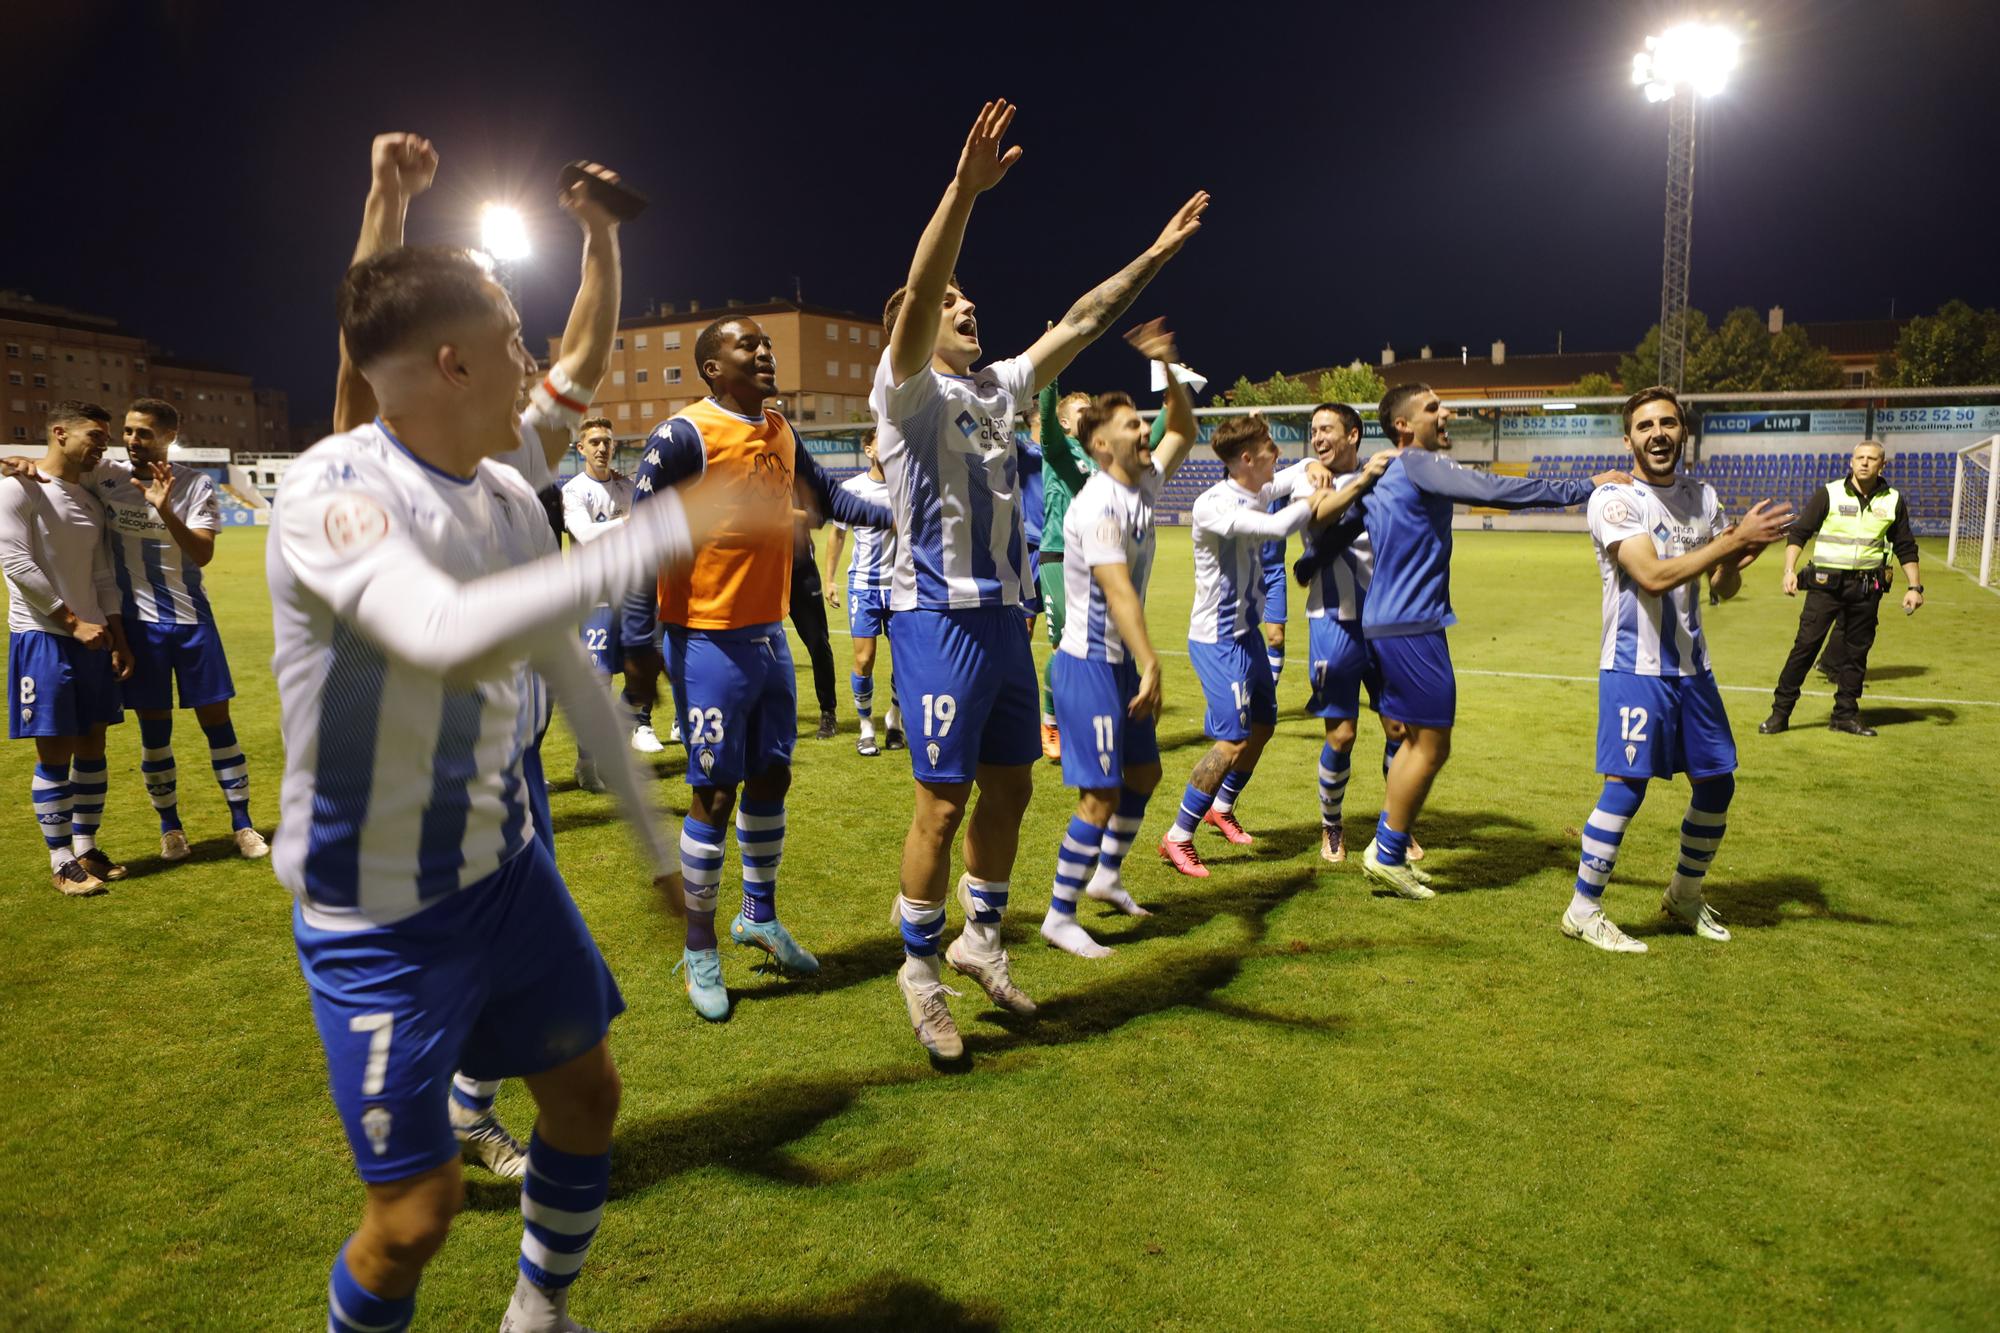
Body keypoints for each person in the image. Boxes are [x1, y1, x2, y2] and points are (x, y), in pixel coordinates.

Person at [278, 243, 712, 1333]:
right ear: (450, 362)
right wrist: (675, 529)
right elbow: (433, 632)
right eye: (512, 337)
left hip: (507, 872)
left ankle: (537, 1310)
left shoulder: (516, 500)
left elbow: (570, 667)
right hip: (379, 912)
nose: (534, 359)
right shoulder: (331, 488)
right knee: (414, 1217)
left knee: (587, 1096)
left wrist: (658, 854)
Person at [873, 98, 1207, 1060]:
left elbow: (1086, 318)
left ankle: (982, 942)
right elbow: (922, 278)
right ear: (918, 325)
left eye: (972, 299)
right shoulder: (903, 392)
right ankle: (919, 969)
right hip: (936, 617)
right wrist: (963, 193)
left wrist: (1155, 254)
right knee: (941, 803)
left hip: (1008, 624)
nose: (966, 306)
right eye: (950, 302)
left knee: (1012, 788)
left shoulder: (1001, 388)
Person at [620, 315, 890, 1021]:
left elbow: (829, 499)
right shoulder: (684, 436)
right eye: (749, 345)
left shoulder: (779, 429)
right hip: (704, 639)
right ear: (713, 367)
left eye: (766, 344)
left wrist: (898, 515)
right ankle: (700, 943)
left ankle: (758, 917)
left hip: (768, 637)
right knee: (714, 792)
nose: (765, 353)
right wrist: (639, 643)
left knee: (774, 774)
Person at [1352, 383, 1625, 899]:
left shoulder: (1387, 472)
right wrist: (1583, 486)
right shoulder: (1415, 462)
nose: (1446, 412)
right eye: (1433, 407)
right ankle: (1387, 852)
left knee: (1412, 742)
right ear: (1405, 426)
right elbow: (1496, 491)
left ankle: (1386, 847)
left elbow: (1343, 523)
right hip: (1412, 625)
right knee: (1432, 745)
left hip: (1390, 622)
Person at [1566, 387, 1792, 952]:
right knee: (1627, 786)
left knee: (1718, 783)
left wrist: (1740, 556)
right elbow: (1653, 576)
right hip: (1634, 668)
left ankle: (1682, 896)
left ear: (1683, 432)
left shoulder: (1703, 497)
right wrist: (1731, 541)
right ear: (1629, 439)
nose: (1658, 434)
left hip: (1693, 670)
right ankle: (1582, 908)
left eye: (1668, 423)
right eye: (1645, 426)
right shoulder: (1615, 500)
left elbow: (1722, 588)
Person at [1039, 321, 1201, 956]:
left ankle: (1106, 876)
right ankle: (1058, 913)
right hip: (1088, 666)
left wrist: (1167, 362)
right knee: (1099, 794)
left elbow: (1183, 429)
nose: (1145, 431)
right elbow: (1117, 590)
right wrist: (1149, 659)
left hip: (1119, 664)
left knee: (1146, 770)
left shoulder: (1142, 483)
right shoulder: (1098, 503)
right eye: (1133, 426)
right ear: (1100, 446)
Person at [1160, 416, 1354, 877]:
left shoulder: (1256, 488)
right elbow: (1276, 529)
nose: (1278, 454)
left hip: (1246, 634)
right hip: (1218, 640)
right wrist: (1323, 496)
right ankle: (1177, 836)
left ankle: (1220, 807)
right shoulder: (1214, 504)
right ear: (1246, 459)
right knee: (1231, 742)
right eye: (1270, 448)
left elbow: (1300, 468)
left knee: (1264, 726)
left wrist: (1312, 469)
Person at [86, 398, 267, 861]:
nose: (131, 440)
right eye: (127, 431)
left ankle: (243, 825)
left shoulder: (195, 484)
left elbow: (202, 554)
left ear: (169, 436)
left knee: (218, 724)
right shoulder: (105, 475)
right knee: (154, 733)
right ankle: (171, 829)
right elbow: (57, 468)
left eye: (143, 433)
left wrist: (165, 509)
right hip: (139, 628)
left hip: (191, 622)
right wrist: (25, 463)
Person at [1, 401, 133, 895]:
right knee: (54, 753)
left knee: (93, 750)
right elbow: (15, 563)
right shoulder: (19, 488)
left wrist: (115, 636)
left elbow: (102, 575)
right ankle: (60, 862)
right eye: (94, 437)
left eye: (105, 438)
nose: (102, 446)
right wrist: (72, 622)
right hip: (44, 637)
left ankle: (85, 848)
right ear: (59, 433)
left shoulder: (90, 498)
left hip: (93, 638)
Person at [1285, 403, 1399, 863]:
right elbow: (1317, 520)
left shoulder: (1384, 476)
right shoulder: (1306, 478)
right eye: (1313, 431)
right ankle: (1332, 827)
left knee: (1400, 728)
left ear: (1354, 434)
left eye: (1327, 429)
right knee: (1342, 734)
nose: (1318, 438)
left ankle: (1396, 825)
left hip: (1388, 622)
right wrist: (1360, 480)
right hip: (1332, 620)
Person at [1758, 439, 1923, 738]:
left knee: (1855, 655)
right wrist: (1788, 570)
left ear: (1882, 465)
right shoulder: (1829, 493)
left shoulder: (1893, 500)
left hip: (1866, 589)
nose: (1864, 463)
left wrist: (1915, 586)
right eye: (1859, 457)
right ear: (1851, 461)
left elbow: (1905, 545)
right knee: (1805, 649)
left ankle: (1845, 715)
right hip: (1825, 587)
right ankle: (1779, 714)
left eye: (1871, 459)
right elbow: (1799, 532)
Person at [560, 416, 654, 792]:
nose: (602, 447)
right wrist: (627, 521)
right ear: (580, 448)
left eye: (607, 442)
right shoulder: (573, 491)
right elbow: (584, 535)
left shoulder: (626, 486)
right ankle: (587, 763)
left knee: (639, 677)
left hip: (628, 596)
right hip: (594, 600)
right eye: (594, 441)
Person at [822, 430, 904, 756]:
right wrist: (830, 580)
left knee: (905, 662)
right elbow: (837, 536)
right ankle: (866, 725)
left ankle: (894, 719)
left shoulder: (906, 486)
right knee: (864, 659)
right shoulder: (852, 489)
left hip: (902, 588)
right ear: (869, 449)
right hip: (864, 587)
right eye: (883, 440)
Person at [1034, 384, 1096, 761]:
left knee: (1088, 647)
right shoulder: (1056, 448)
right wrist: (1051, 375)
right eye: (1081, 411)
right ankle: (1050, 720)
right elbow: (1045, 418)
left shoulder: (1097, 455)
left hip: (1090, 559)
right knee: (1062, 647)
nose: (1089, 415)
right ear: (1063, 421)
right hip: (1057, 555)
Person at [788, 517, 841, 739]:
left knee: (818, 643)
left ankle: (828, 712)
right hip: (765, 574)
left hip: (801, 572)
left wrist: (781, 510)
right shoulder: (750, 482)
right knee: (756, 645)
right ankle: (765, 716)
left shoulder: (801, 481)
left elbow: (818, 518)